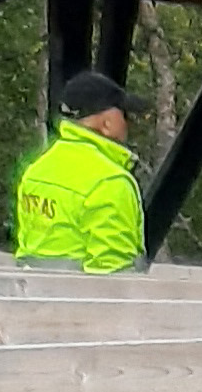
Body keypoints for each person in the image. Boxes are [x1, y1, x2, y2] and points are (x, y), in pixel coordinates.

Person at [13, 70, 145, 271]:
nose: (129, 123)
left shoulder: (36, 171)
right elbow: (115, 276)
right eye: (124, 114)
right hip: (82, 300)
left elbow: (27, 249)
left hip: (34, 296)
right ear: (106, 123)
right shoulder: (110, 182)